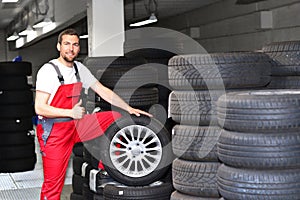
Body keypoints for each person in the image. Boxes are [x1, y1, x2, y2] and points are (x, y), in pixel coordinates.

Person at [35, 28, 152, 200]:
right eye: (66, 44)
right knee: (53, 187)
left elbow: (102, 90)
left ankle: (107, 168)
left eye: (75, 44)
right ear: (59, 46)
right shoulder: (48, 71)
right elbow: (40, 108)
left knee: (115, 119)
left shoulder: (79, 68)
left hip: (76, 125)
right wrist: (70, 112)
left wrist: (128, 108)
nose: (71, 49)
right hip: (54, 132)